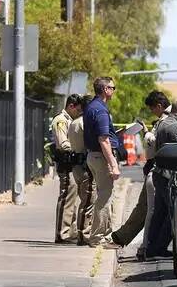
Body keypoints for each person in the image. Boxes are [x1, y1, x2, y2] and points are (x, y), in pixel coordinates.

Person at [108, 91, 170, 254]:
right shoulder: (165, 120)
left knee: (147, 210)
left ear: (158, 105)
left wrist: (145, 131)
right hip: (157, 171)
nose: (152, 112)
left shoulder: (166, 121)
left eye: (152, 109)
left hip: (160, 172)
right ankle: (135, 241)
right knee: (148, 209)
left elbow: (154, 145)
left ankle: (145, 246)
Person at [144, 98, 177, 258]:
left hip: (160, 174)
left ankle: (151, 248)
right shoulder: (174, 127)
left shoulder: (163, 123)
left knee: (160, 213)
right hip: (167, 176)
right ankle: (158, 247)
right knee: (172, 213)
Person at [83, 76, 123, 246]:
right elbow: (103, 140)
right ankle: (97, 237)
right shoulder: (100, 110)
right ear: (106, 89)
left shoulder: (92, 107)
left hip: (94, 156)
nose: (114, 91)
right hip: (101, 157)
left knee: (104, 194)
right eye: (112, 88)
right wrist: (113, 163)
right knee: (104, 198)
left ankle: (105, 234)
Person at [51, 94, 84, 244]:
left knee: (72, 198)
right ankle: (62, 234)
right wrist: (79, 148)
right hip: (66, 163)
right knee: (66, 197)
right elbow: (63, 143)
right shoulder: (61, 121)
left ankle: (70, 232)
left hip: (72, 163)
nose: (79, 112)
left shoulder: (70, 120)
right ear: (71, 106)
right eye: (78, 109)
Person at [68, 95, 95, 246]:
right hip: (85, 166)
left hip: (77, 166)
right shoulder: (85, 123)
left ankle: (82, 233)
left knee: (85, 200)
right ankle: (84, 235)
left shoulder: (74, 122)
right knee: (88, 202)